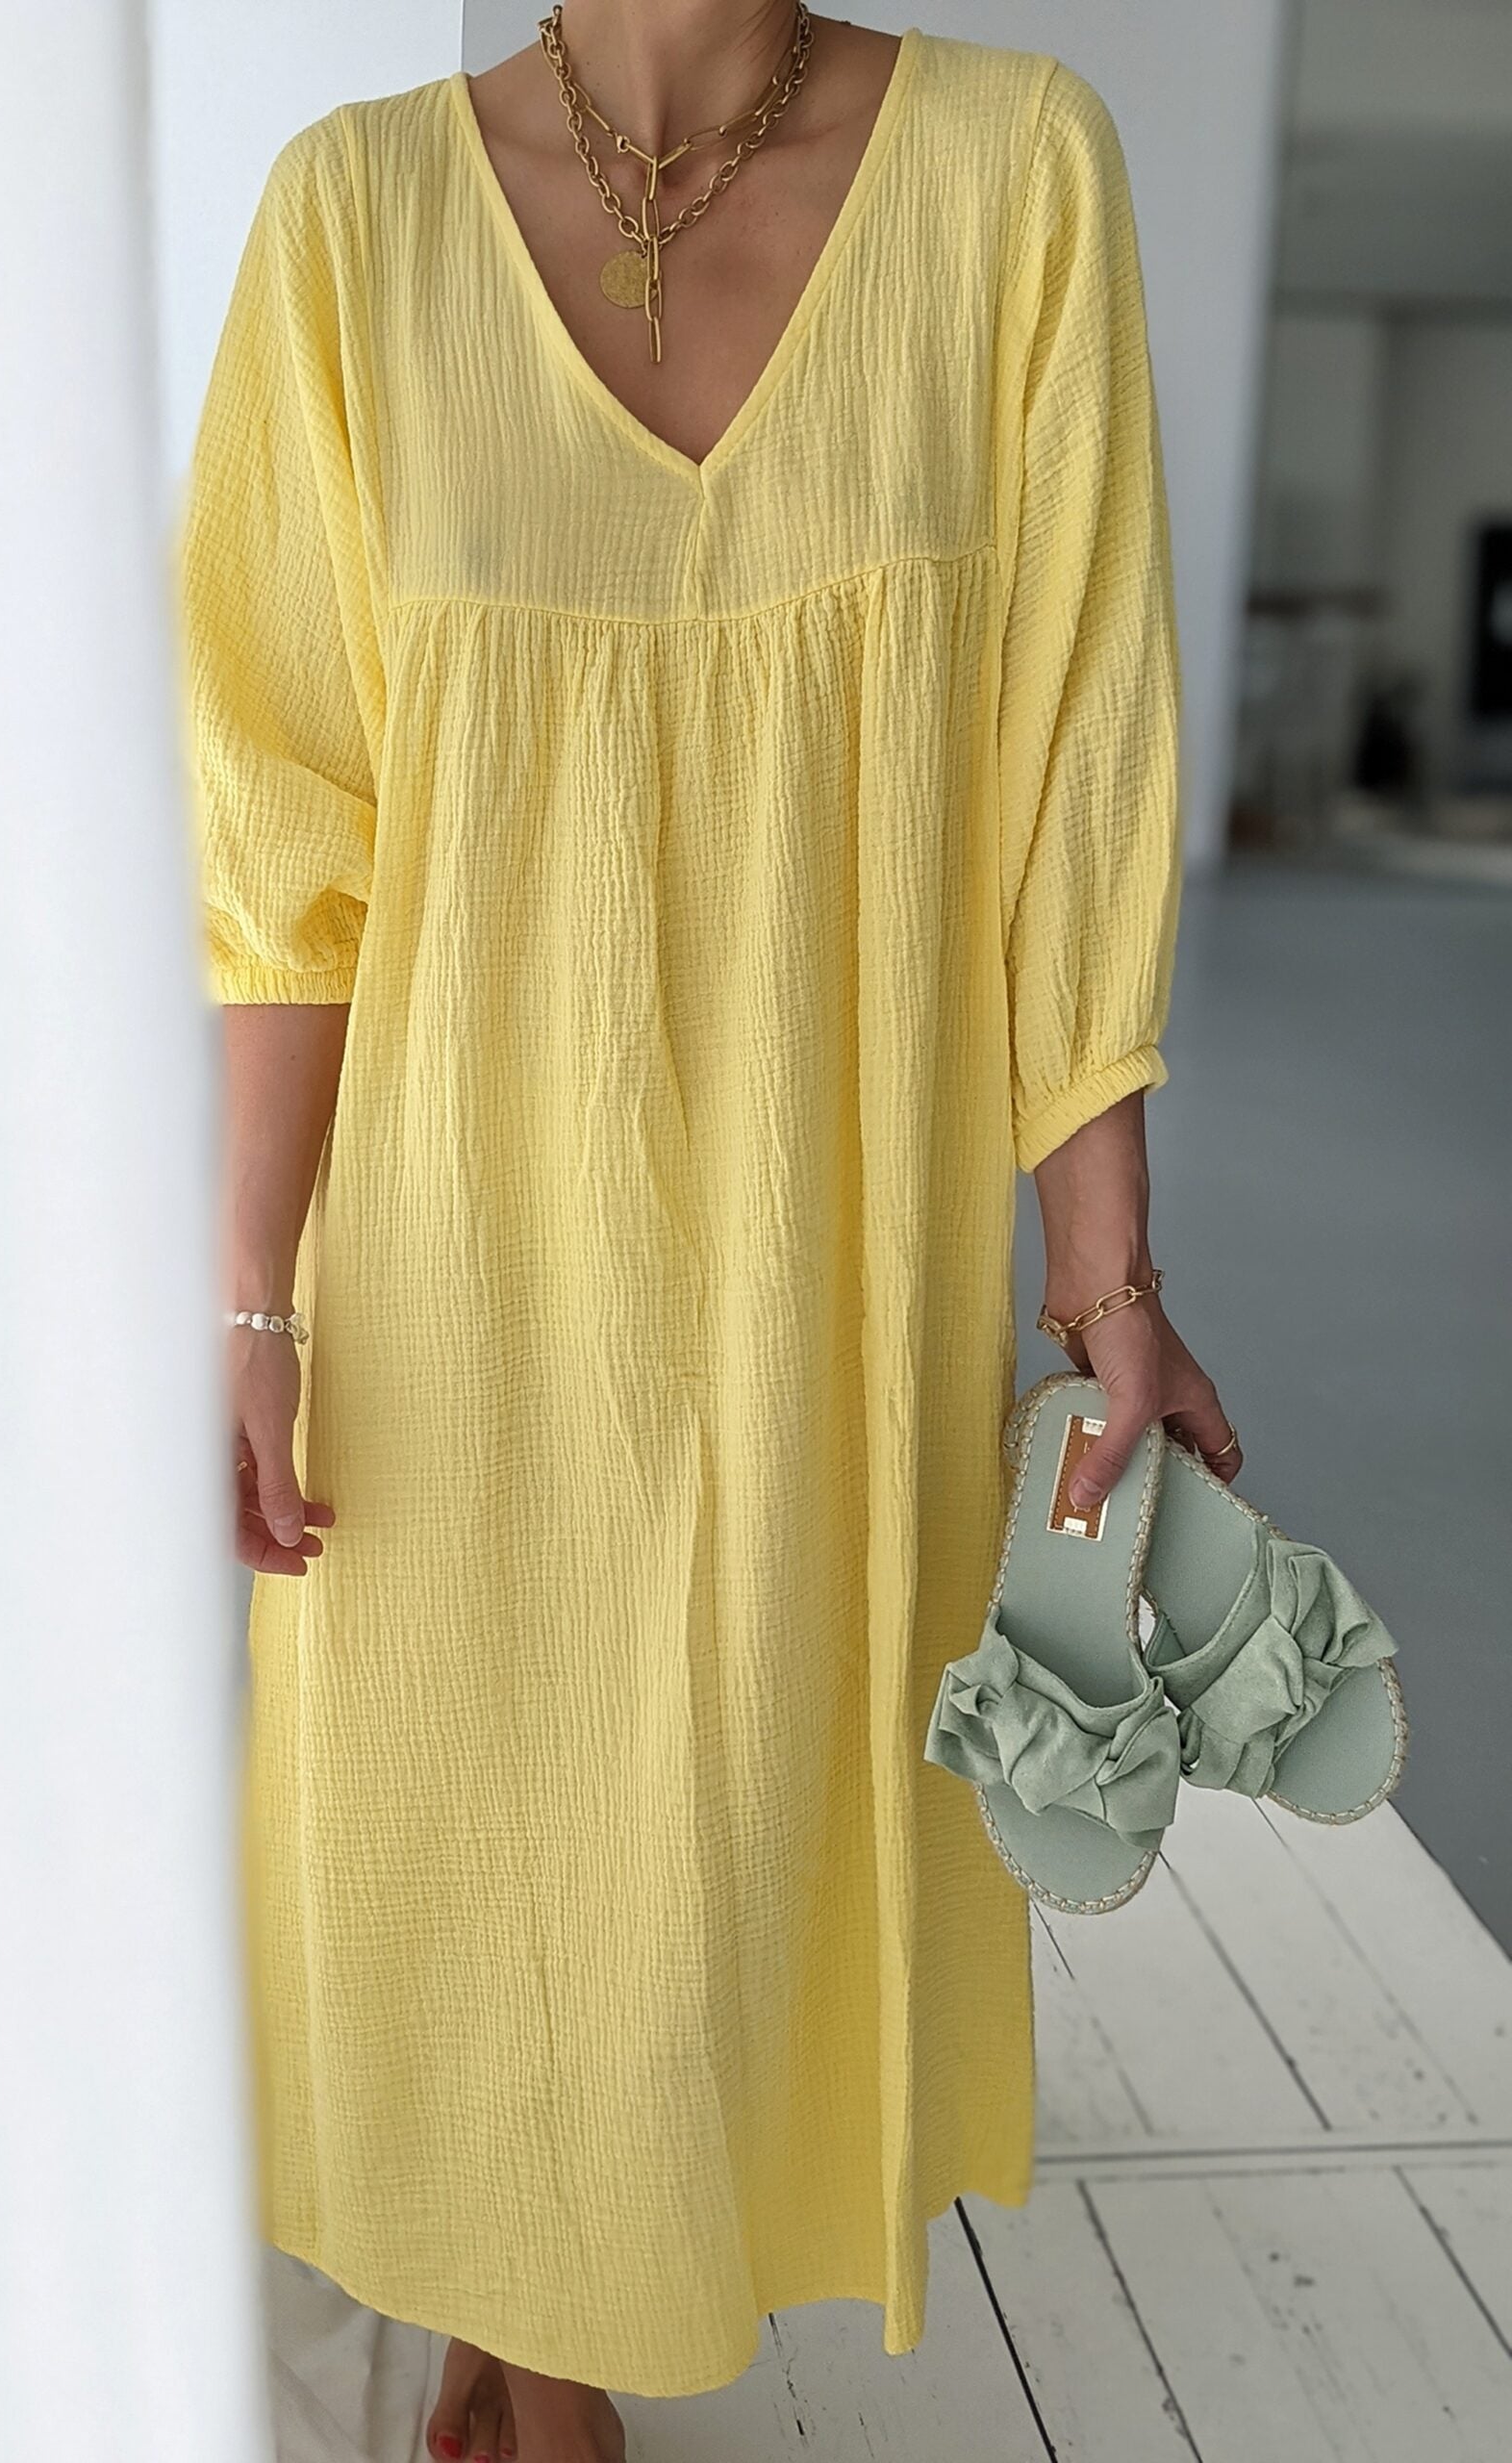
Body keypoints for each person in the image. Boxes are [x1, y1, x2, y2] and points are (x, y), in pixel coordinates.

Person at [177, 8, 1238, 2458]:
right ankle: (546, 2363)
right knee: (488, 1798)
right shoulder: (351, 221)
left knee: (727, 1827)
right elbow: (288, 841)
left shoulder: (1014, 179)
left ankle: (537, 2298)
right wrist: (252, 1292)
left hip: (822, 1250)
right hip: (456, 1241)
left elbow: (1077, 766)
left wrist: (1107, 1282)